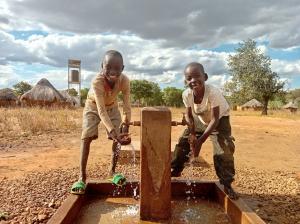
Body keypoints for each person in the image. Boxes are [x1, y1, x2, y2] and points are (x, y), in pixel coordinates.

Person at [171, 62, 238, 200]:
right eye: (189, 78)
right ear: (185, 81)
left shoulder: (213, 92)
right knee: (184, 142)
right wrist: (193, 134)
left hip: (219, 120)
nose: (193, 80)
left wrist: (200, 141)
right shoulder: (187, 94)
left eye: (197, 76)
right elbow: (189, 116)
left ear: (205, 77)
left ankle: (227, 183)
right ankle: (175, 170)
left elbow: (214, 120)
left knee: (223, 147)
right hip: (199, 118)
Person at [71, 50, 131, 194]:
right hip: (93, 106)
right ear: (102, 66)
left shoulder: (124, 81)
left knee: (117, 140)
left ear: (122, 69)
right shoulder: (97, 81)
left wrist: (125, 127)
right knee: (86, 138)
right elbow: (100, 110)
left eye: (117, 68)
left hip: (112, 107)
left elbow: (127, 106)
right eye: (108, 67)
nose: (112, 71)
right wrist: (112, 130)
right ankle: (82, 177)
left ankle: (112, 171)